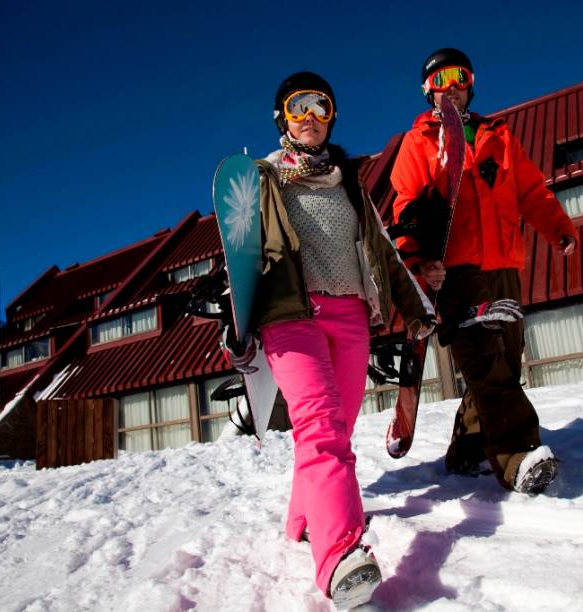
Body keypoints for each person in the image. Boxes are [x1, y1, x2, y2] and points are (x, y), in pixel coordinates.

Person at [224, 71, 436, 609]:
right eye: (300, 107)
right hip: (291, 316)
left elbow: (382, 251)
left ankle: (302, 520)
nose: (311, 117)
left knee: (333, 428)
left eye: (322, 106)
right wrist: (238, 319)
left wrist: (414, 307)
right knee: (319, 425)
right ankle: (340, 553)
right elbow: (243, 251)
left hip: (350, 317)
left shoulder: (349, 183)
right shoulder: (265, 176)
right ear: (282, 118)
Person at [388, 48, 578, 495]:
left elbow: (531, 191)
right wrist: (416, 259)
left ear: (471, 83)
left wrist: (558, 228)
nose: (451, 85)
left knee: (507, 361)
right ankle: (518, 455)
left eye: (460, 76)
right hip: (456, 273)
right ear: (428, 91)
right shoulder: (418, 143)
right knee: (486, 361)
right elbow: (404, 206)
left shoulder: (500, 136)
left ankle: (468, 449)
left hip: (505, 267)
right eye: (441, 79)